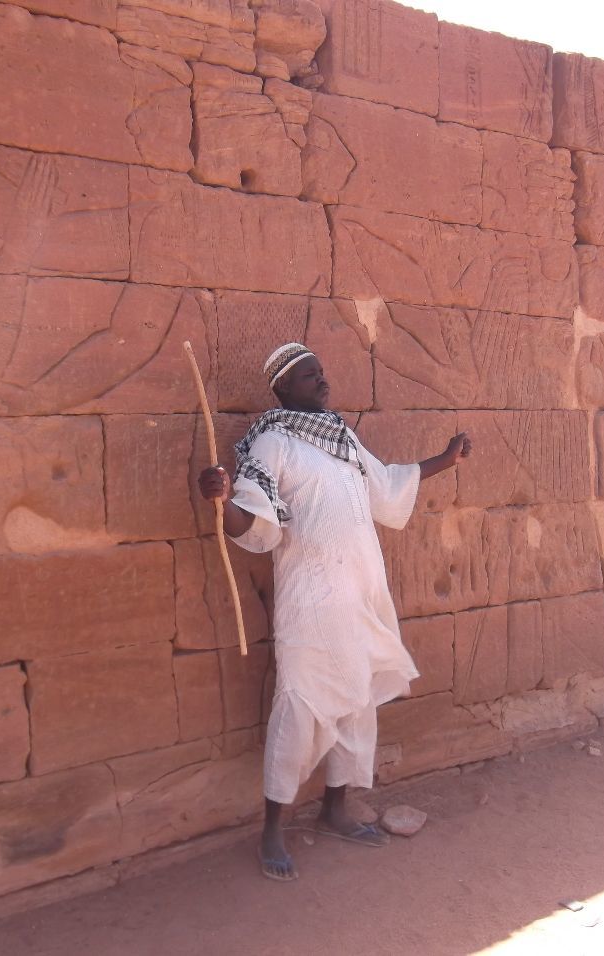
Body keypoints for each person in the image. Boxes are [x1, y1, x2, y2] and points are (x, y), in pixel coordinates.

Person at [197, 342, 471, 882]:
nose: (322, 382)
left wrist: (447, 458)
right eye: (308, 377)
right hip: (309, 597)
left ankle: (335, 809)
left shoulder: (341, 439)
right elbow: (253, 522)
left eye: (321, 372)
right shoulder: (270, 445)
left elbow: (386, 485)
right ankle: (273, 828)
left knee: (356, 697)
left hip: (360, 592)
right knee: (300, 703)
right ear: (283, 389)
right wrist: (220, 498)